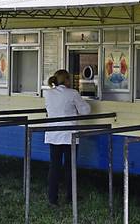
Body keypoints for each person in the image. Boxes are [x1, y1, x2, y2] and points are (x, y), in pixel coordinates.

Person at [43, 69, 91, 206]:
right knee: (70, 167)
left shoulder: (48, 94)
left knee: (54, 167)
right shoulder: (73, 93)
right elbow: (85, 111)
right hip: (70, 135)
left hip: (53, 134)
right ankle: (71, 196)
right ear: (67, 80)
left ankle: (52, 199)